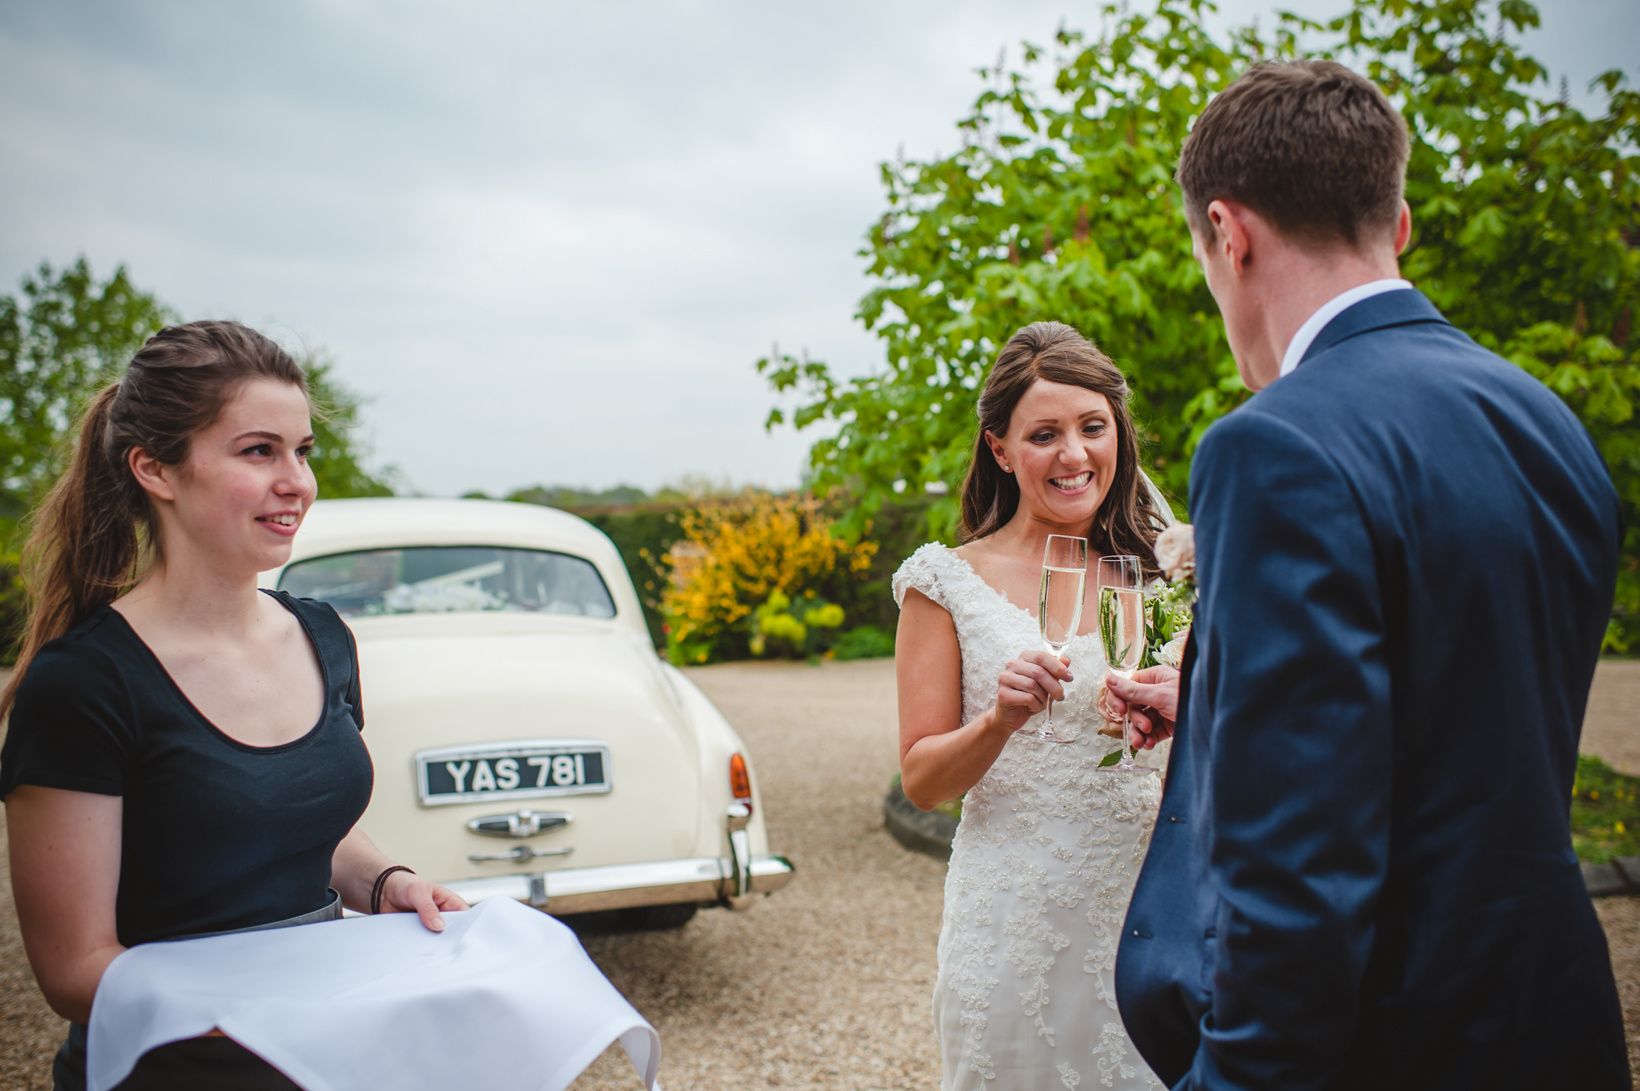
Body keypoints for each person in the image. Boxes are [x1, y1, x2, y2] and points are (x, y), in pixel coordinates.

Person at [1106, 60, 1629, 1089]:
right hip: (1551, 1019)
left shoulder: (1273, 446)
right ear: (1397, 227)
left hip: (1386, 1044)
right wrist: (1212, 705)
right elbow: (1463, 709)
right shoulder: (1542, 420)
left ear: (1228, 233)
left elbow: (1296, 875)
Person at [0, 321, 467, 1090]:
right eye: (259, 451)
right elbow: (74, 969)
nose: (298, 481)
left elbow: (300, 826)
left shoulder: (322, 636)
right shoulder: (85, 683)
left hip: (328, 1057)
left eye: (302, 450)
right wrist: (259, 1011)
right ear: (156, 470)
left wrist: (390, 884)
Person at [893, 321, 1170, 1091]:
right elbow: (923, 780)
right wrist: (997, 720)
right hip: (1010, 917)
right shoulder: (942, 582)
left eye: (1093, 427)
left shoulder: (1164, 577)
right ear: (1000, 448)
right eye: (1043, 433)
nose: (1075, 455)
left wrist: (1184, 718)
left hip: (1146, 911)